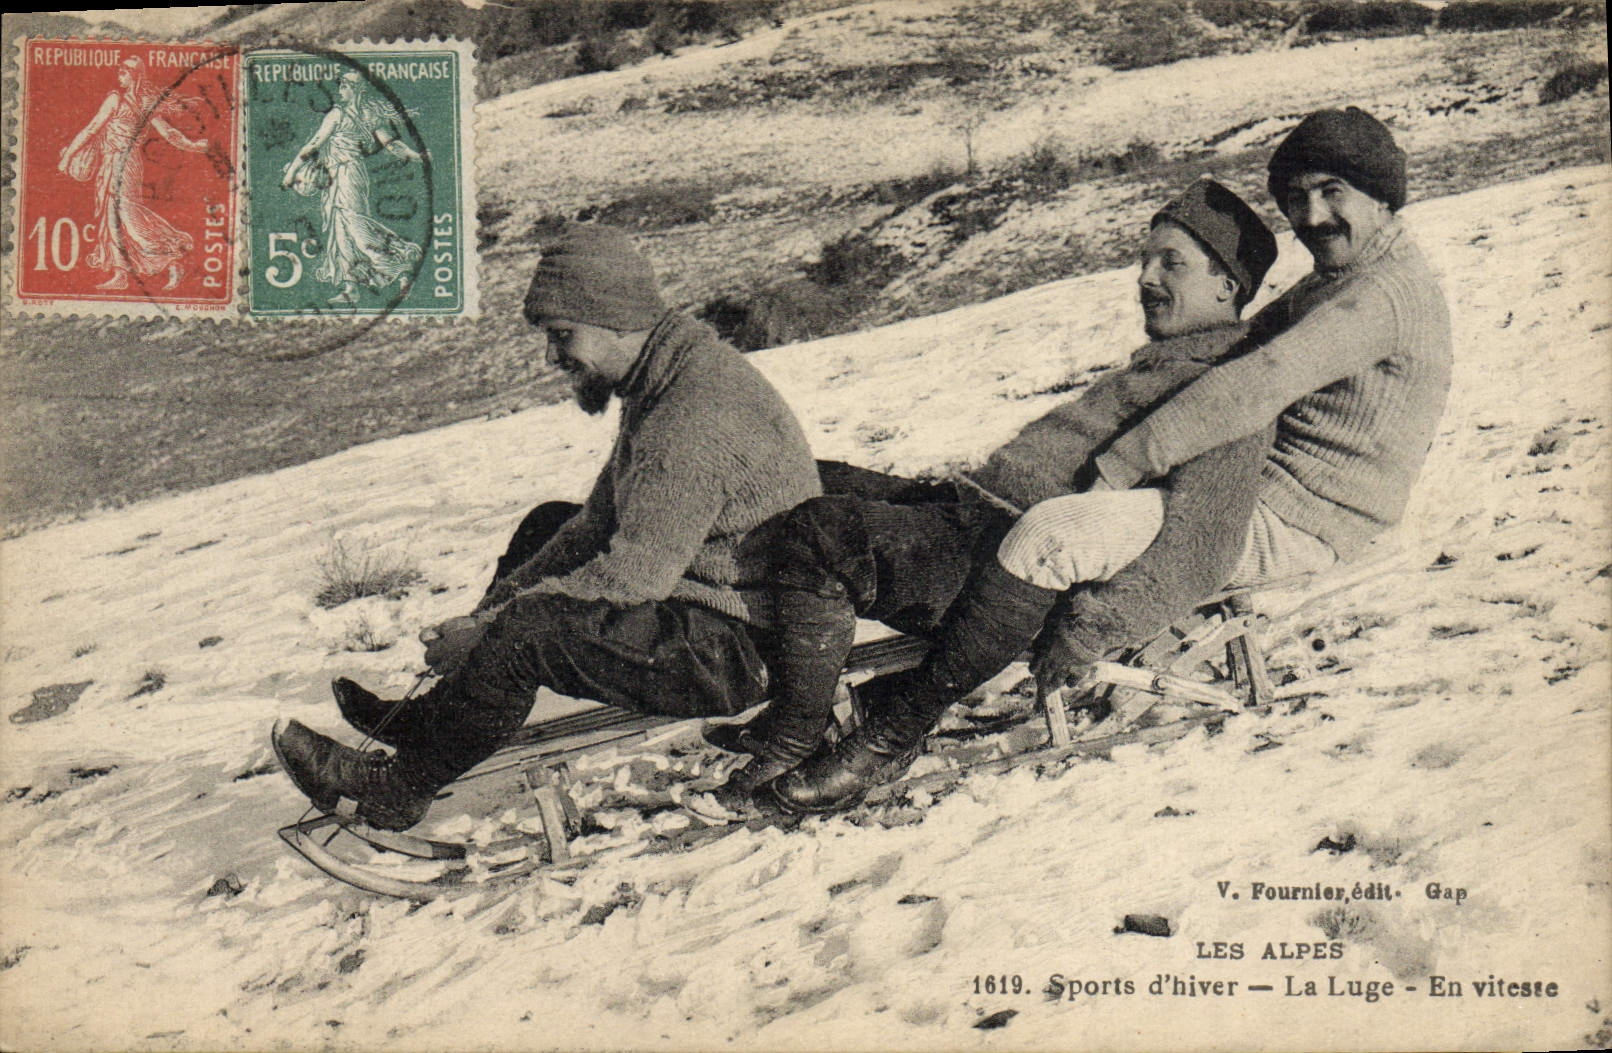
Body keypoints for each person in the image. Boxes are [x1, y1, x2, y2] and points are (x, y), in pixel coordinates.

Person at [766, 106, 1454, 815]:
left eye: (1333, 191)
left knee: (1052, 536)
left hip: (1303, 514)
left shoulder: (1382, 296)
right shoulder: (1340, 275)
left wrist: (1119, 474)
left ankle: (889, 737)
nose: (1313, 214)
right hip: (1277, 489)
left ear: (1381, 193)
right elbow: (1239, 342)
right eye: (1299, 197)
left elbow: (1254, 383)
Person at [688, 177, 1281, 819]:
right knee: (798, 476)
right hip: (966, 511)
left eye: (1172, 262)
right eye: (1144, 259)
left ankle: (797, 740)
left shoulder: (1230, 393)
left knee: (822, 533)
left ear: (1229, 285)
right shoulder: (1172, 359)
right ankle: (785, 695)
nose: (1145, 277)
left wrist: (1091, 632)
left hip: (996, 566)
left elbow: (1204, 543)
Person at [272, 224, 821, 831]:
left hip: (748, 649)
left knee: (529, 632)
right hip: (710, 606)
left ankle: (400, 787)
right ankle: (447, 714)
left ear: (615, 320)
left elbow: (634, 574)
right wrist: (487, 616)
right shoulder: (666, 378)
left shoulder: (690, 419)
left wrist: (491, 628)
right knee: (547, 528)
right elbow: (595, 526)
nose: (552, 357)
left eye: (563, 336)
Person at [58, 56, 211, 292]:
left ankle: (172, 256)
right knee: (112, 219)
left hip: (127, 164)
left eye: (125, 71)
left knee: (128, 216)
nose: (120, 74)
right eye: (120, 70)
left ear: (135, 75)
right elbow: (92, 128)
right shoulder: (115, 99)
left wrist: (193, 146)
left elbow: (168, 132)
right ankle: (122, 274)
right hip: (110, 163)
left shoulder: (142, 101)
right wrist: (69, 155)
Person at [281, 71, 425, 305]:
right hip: (335, 176)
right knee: (340, 231)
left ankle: (402, 266)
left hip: (349, 175)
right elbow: (316, 145)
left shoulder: (346, 115)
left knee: (356, 226)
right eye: (340, 86)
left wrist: (416, 156)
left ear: (358, 89)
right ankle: (351, 288)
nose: (340, 90)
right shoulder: (353, 113)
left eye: (345, 86)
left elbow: (391, 145)